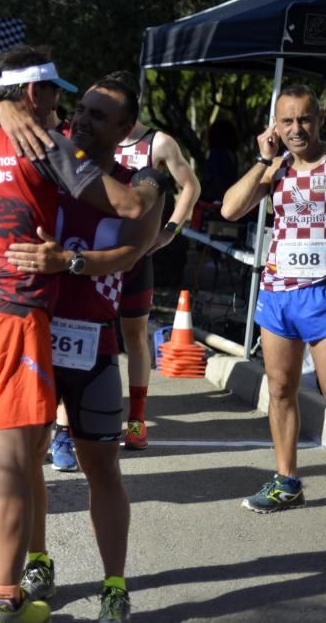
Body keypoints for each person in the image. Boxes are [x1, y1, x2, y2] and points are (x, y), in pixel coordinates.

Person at [0, 46, 165, 620]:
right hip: (12, 316)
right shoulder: (44, 145)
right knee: (14, 464)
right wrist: (153, 184)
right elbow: (128, 203)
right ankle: (6, 598)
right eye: (52, 95)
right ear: (31, 95)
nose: (62, 108)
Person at [4, 77, 164, 623]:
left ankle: (114, 584)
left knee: (103, 468)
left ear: (123, 130)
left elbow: (129, 252)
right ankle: (37, 560)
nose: (84, 120)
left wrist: (69, 264)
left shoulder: (132, 188)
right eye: (82, 109)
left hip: (95, 341)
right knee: (25, 462)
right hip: (33, 337)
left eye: (99, 116)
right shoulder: (44, 171)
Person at [221, 84, 326, 516]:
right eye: (286, 121)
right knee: (281, 390)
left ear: (320, 119)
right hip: (278, 296)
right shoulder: (274, 168)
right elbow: (230, 210)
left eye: (304, 119)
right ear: (274, 125)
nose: (296, 129)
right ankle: (287, 481)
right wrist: (263, 161)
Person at [105, 70, 200, 451]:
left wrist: (169, 231)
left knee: (134, 339)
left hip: (136, 258)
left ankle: (136, 421)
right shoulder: (98, 138)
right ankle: (88, 418)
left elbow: (190, 184)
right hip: (97, 255)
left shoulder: (157, 143)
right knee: (95, 337)